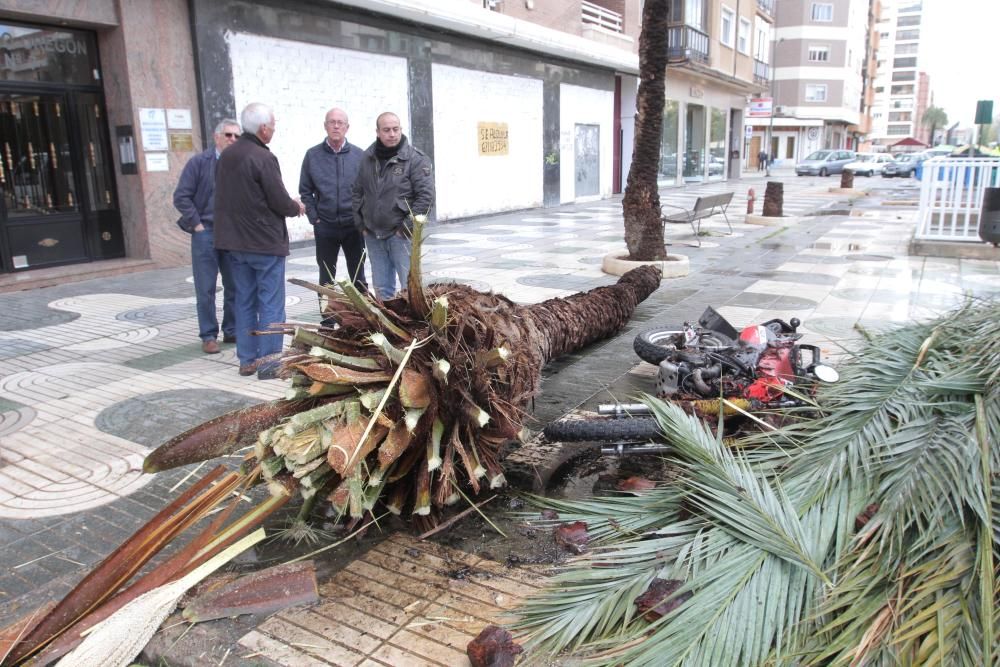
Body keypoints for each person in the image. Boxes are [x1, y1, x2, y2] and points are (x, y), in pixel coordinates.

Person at [214, 103, 305, 380]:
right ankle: (270, 364)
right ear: (264, 128)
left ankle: (247, 360)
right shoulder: (263, 157)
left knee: (243, 300)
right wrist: (295, 207)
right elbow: (278, 199)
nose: (274, 129)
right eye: (273, 125)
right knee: (270, 303)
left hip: (235, 244)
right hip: (264, 243)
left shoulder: (226, 156)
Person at [172, 118, 240, 354]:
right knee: (206, 288)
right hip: (206, 233)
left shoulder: (240, 163)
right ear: (217, 136)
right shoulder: (199, 163)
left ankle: (231, 330)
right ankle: (209, 335)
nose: (233, 140)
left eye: (237, 136)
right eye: (229, 135)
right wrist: (197, 224)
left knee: (235, 285)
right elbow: (181, 196)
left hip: (232, 235)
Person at [352, 112, 435, 301]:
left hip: (402, 236)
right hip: (373, 234)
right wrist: (361, 224)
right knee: (382, 289)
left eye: (395, 129)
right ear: (378, 132)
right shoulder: (368, 157)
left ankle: (413, 329)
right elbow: (357, 191)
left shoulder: (415, 159)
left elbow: (426, 197)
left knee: (410, 289)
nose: (392, 134)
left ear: (401, 129)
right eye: (387, 130)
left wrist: (405, 228)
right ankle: (387, 328)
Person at [299, 107, 367, 290]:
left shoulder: (359, 155)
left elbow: (367, 190)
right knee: (326, 276)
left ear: (347, 127)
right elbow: (305, 191)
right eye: (332, 122)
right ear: (325, 126)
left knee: (358, 274)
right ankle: (328, 318)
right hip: (325, 225)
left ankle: (363, 316)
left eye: (340, 123)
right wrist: (315, 218)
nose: (336, 126)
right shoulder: (312, 155)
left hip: (353, 226)